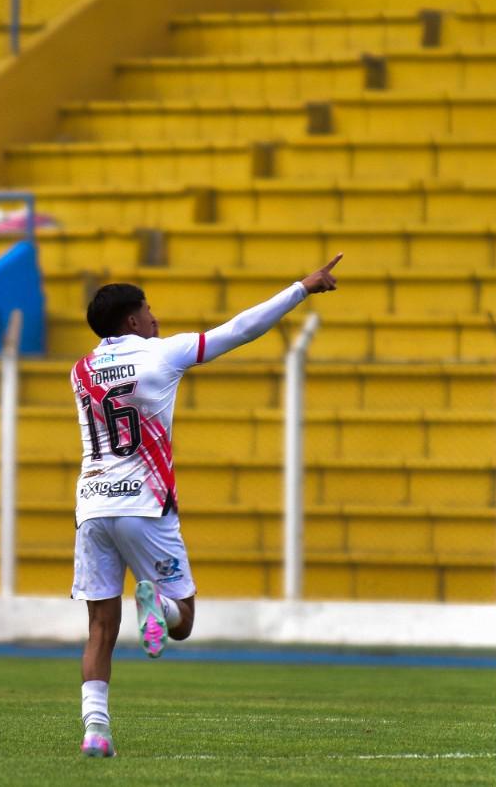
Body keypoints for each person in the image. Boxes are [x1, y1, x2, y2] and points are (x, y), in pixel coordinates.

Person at [71, 254, 343, 758]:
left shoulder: (81, 369)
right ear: (132, 320)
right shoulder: (161, 354)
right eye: (149, 310)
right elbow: (239, 329)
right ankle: (159, 604)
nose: (156, 318)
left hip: (91, 505)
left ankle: (95, 731)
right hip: (144, 504)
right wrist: (300, 288)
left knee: (99, 627)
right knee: (185, 619)